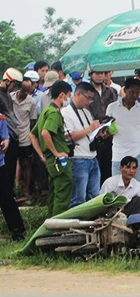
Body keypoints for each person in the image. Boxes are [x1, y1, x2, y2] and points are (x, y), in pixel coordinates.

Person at [30, 81, 73, 217]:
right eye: (68, 96)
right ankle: (59, 228)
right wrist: (56, 152)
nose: (68, 99)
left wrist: (42, 155)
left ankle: (51, 225)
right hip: (59, 160)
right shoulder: (53, 113)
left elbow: (32, 135)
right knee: (63, 194)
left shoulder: (45, 112)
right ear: (61, 95)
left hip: (50, 160)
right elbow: (44, 133)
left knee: (54, 194)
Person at [61, 82, 103, 207]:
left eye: (92, 99)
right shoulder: (66, 112)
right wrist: (90, 128)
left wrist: (99, 131)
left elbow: (89, 133)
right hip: (78, 159)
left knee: (94, 196)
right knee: (79, 198)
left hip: (92, 157)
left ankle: (92, 222)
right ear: (78, 94)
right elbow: (68, 136)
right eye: (88, 98)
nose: (89, 102)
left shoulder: (86, 112)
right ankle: (76, 223)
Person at [106, 78, 140, 186]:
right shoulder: (112, 107)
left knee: (139, 185)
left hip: (138, 151)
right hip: (118, 152)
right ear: (125, 90)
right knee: (116, 185)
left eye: (138, 93)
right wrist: (107, 132)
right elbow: (107, 128)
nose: (135, 95)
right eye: (132, 92)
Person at [87, 69, 118, 184]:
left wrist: (109, 130)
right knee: (95, 169)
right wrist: (97, 130)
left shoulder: (111, 91)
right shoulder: (86, 91)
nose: (100, 76)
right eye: (97, 73)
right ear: (91, 75)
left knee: (108, 167)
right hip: (92, 134)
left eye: (102, 73)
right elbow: (85, 112)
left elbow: (115, 112)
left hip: (109, 133)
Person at [0, 109, 26, 241]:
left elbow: (6, 137)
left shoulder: (1, 118)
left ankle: (18, 231)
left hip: (0, 164)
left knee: (6, 197)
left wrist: (5, 141)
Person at [11, 79, 37, 201]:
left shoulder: (31, 102)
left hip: (24, 137)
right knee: (10, 164)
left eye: (28, 90)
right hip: (11, 136)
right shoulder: (10, 98)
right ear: (18, 88)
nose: (26, 93)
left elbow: (32, 121)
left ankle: (26, 191)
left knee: (26, 164)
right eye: (24, 90)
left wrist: (30, 137)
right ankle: (12, 191)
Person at [0, 68, 24, 201]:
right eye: (14, 85)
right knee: (6, 169)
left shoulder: (7, 95)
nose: (14, 88)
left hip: (13, 137)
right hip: (5, 138)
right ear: (8, 81)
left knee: (11, 169)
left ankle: (9, 196)